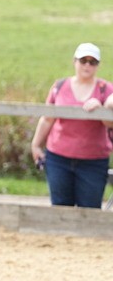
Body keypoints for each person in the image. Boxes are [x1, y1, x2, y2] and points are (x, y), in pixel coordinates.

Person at [30, 43, 113, 208]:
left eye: (92, 62)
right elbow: (47, 119)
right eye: (83, 61)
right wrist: (36, 145)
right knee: (60, 207)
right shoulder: (59, 86)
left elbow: (110, 123)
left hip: (93, 161)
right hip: (58, 158)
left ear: (98, 65)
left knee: (89, 208)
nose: (87, 65)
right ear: (75, 61)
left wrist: (101, 109)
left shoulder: (106, 89)